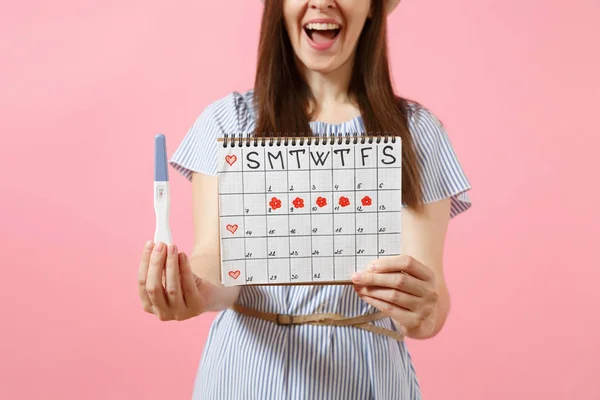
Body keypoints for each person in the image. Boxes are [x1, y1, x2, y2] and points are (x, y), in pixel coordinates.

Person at [137, 0, 472, 398]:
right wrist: (192, 290)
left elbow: (429, 291)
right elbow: (216, 258)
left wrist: (423, 313)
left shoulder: (416, 133)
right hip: (246, 374)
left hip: (365, 376)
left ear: (373, 7)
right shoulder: (229, 122)